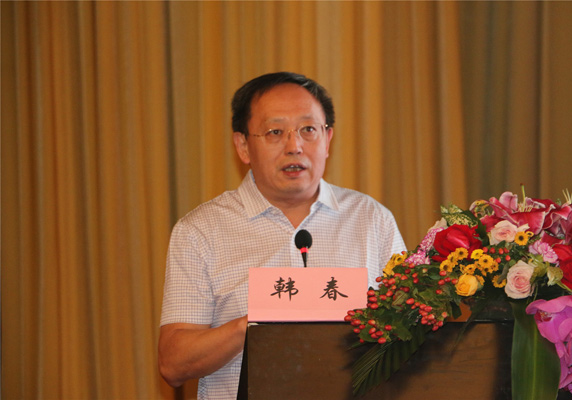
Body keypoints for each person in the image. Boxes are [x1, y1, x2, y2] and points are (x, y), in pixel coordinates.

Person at [158, 72, 406, 399]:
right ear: (243, 146)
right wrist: (251, 325)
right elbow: (173, 363)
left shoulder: (372, 220)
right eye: (275, 132)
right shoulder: (201, 231)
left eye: (308, 130)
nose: (294, 146)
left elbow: (410, 334)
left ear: (328, 139)